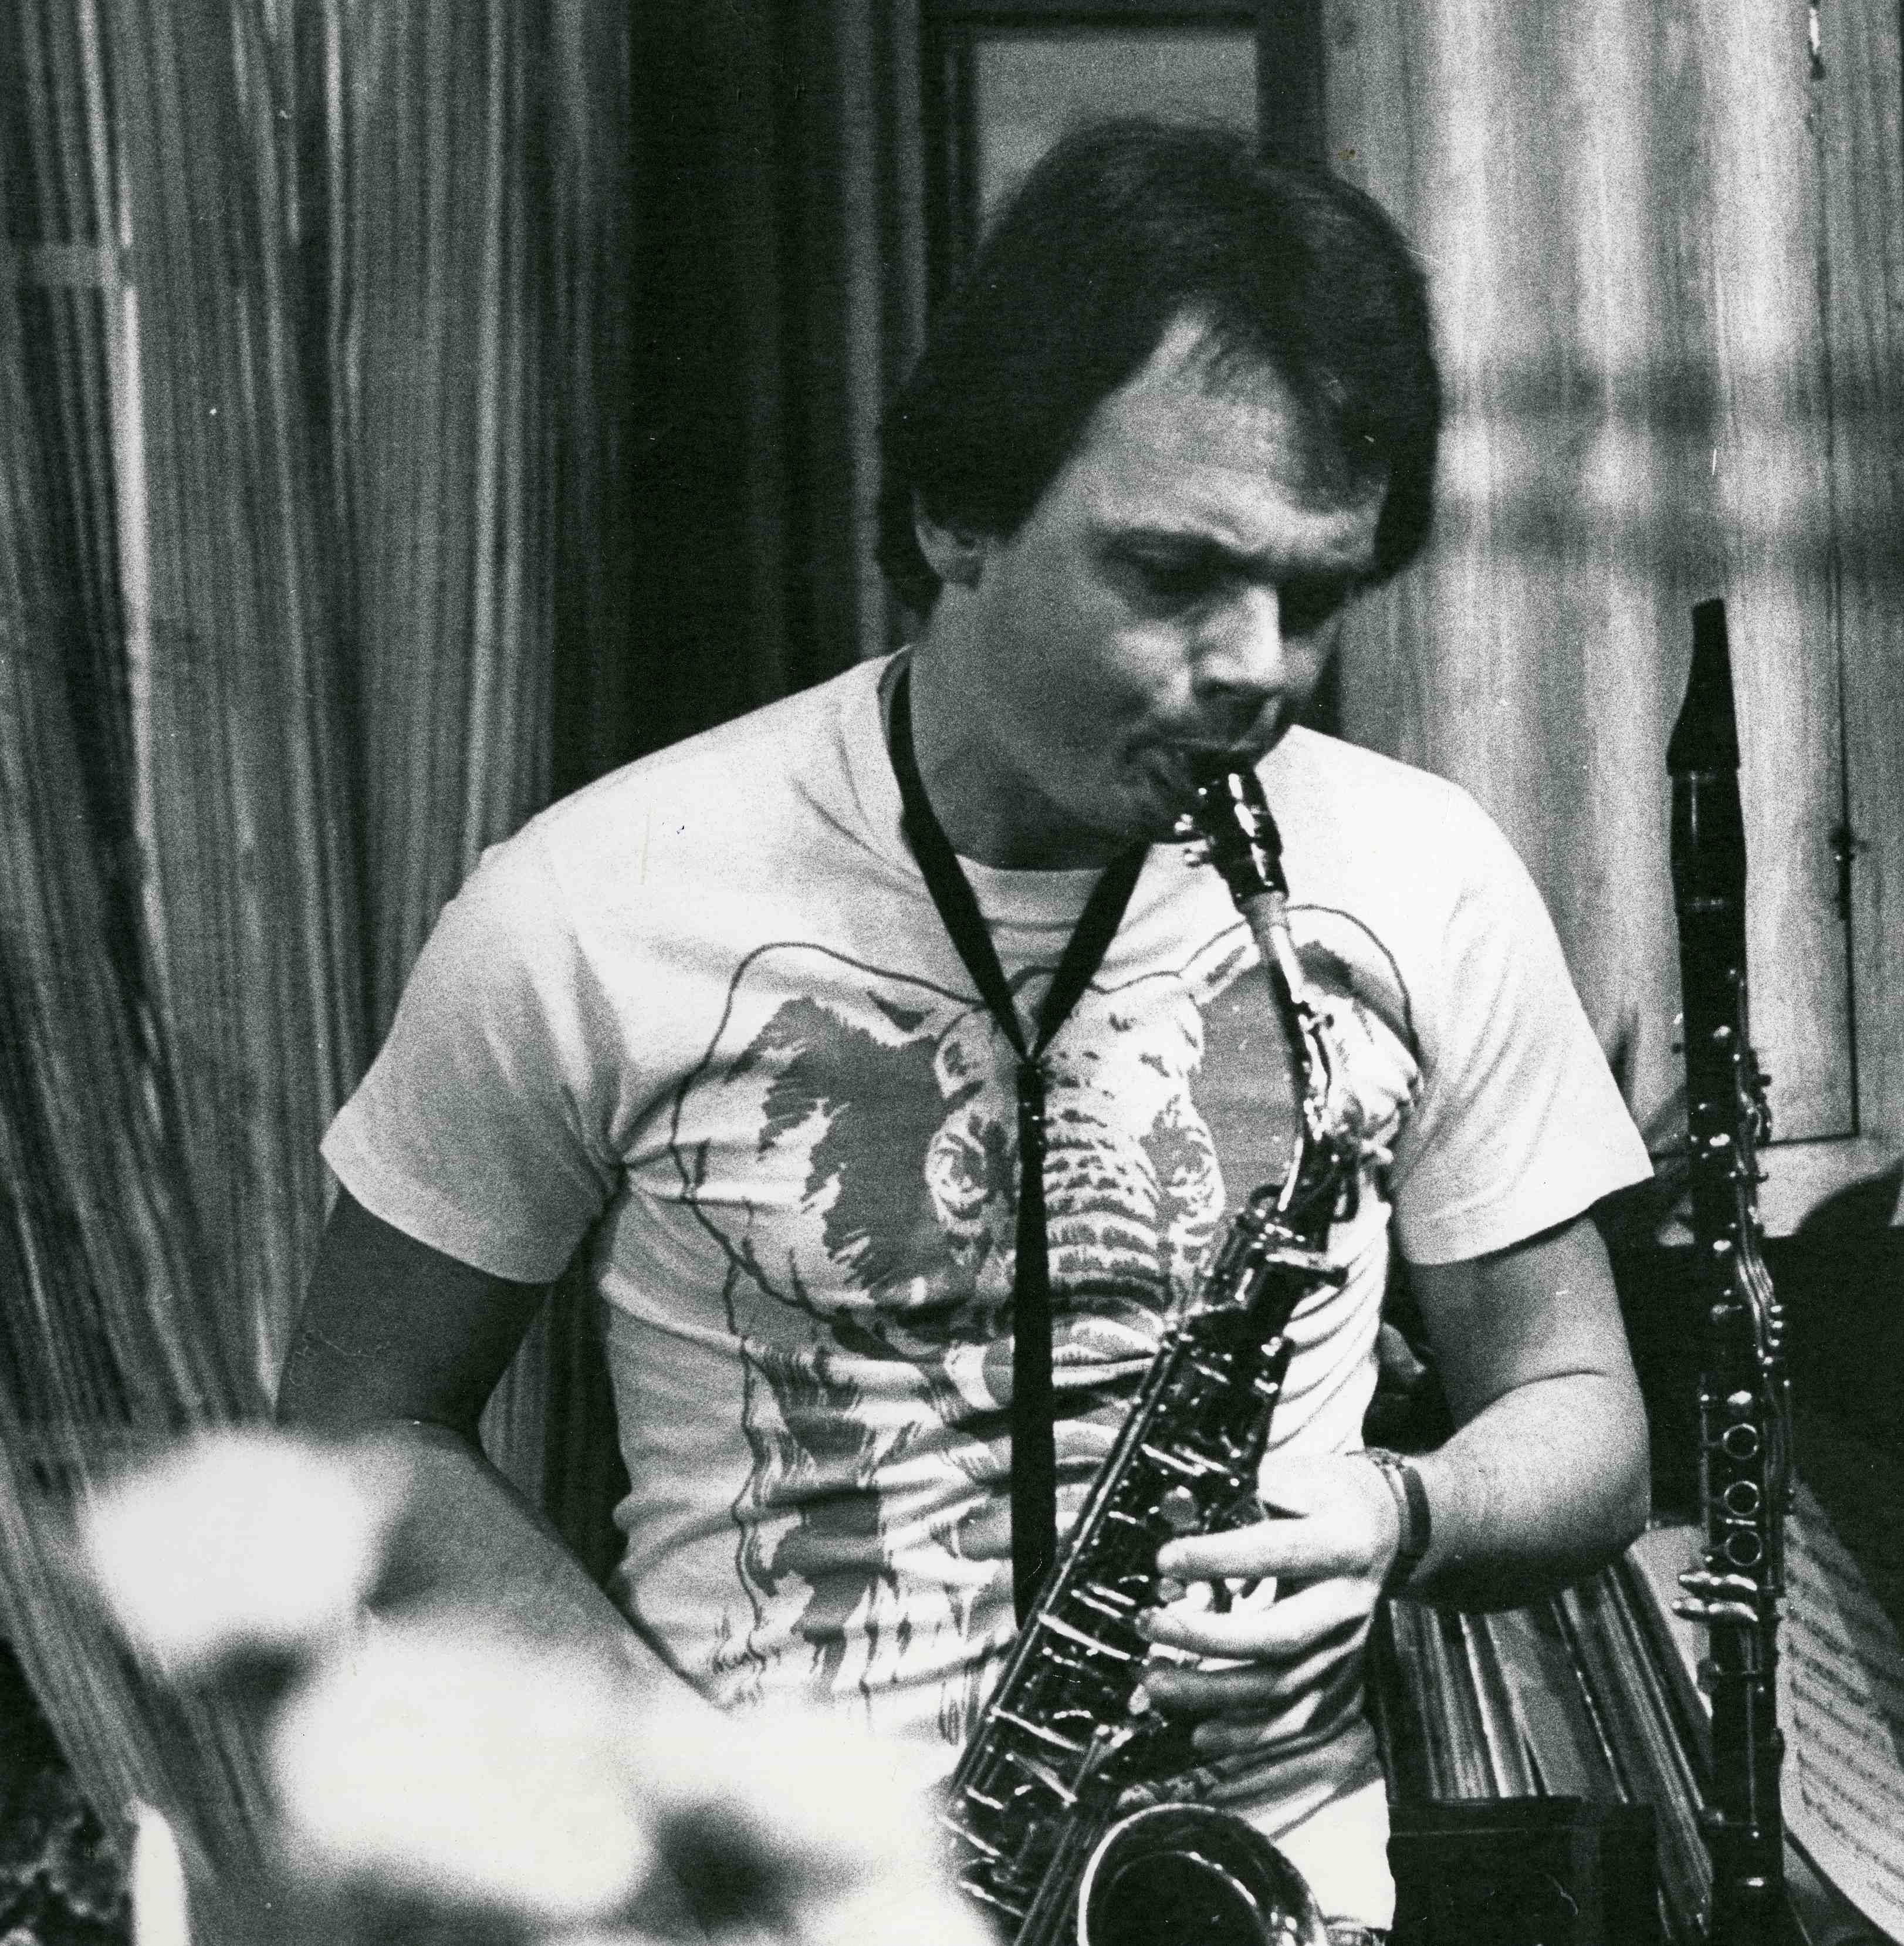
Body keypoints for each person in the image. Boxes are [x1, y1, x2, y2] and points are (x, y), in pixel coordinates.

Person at [279, 120, 1653, 1944]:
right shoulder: (590, 898)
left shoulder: (1425, 874)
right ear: (961, 516)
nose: (1260, 669)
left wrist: (1408, 1511)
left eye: (1313, 595)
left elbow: (1585, 1417)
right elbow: (366, 1421)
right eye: (1174, 572)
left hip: (1262, 1887)